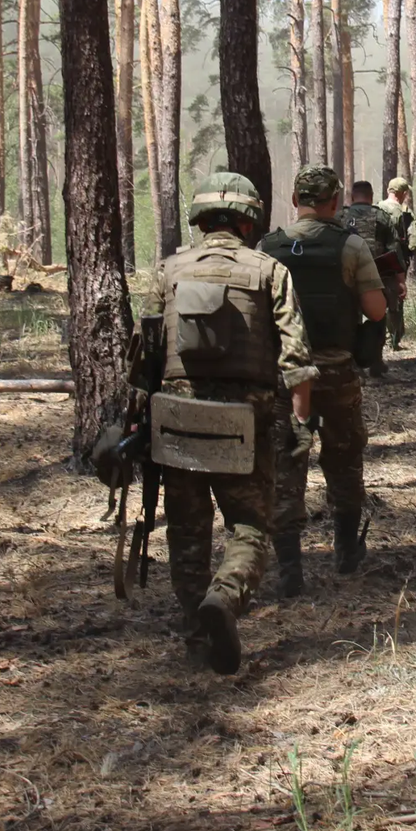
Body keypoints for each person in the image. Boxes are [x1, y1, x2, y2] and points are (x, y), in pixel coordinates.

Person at [137, 172, 316, 673]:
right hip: (246, 424)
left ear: (200, 219)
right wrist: (299, 425)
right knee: (250, 528)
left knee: (187, 534)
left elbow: (145, 357)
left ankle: (197, 640)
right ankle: (226, 597)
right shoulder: (269, 271)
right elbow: (296, 359)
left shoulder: (169, 271)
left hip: (177, 423)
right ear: (247, 219)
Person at [260, 165, 389, 592]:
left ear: (295, 201)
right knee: (345, 459)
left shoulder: (268, 247)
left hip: (285, 375)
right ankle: (347, 552)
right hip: (335, 372)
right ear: (335, 203)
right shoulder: (349, 245)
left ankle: (290, 571)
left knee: (286, 466)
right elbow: (376, 312)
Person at [341, 180, 406, 377]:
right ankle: (376, 362)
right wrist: (400, 281)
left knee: (348, 319)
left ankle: (350, 362)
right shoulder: (382, 217)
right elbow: (394, 252)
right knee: (378, 317)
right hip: (377, 278)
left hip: (346, 278)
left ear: (353, 197)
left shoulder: (341, 217)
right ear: (371, 197)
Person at [378, 178, 416, 350]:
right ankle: (392, 340)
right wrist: (408, 254)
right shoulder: (404, 213)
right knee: (395, 300)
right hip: (395, 262)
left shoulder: (376, 208)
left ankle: (377, 339)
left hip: (372, 261)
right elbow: (414, 243)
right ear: (402, 193)